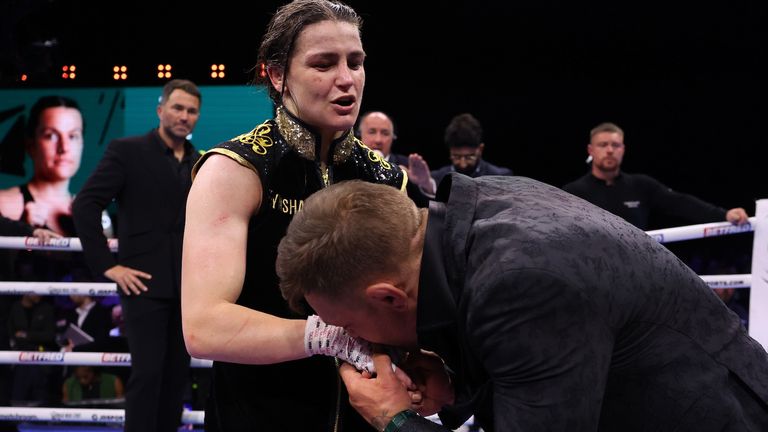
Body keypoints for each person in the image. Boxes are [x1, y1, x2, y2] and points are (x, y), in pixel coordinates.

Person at [276, 176, 768, 432]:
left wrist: (395, 420)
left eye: (348, 324)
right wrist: (456, 382)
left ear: (387, 296)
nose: (358, 340)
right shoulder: (483, 206)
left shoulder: (520, 283)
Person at [181, 1, 411, 430]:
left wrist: (423, 362)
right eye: (323, 64)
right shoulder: (234, 169)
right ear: (276, 74)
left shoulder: (386, 179)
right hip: (258, 417)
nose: (346, 79)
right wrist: (324, 336)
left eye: (355, 62)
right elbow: (203, 327)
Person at [72, 79, 202, 432]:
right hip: (141, 283)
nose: (184, 116)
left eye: (191, 111)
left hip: (188, 288)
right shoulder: (126, 151)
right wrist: (108, 266)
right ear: (160, 110)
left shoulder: (200, 163)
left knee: (177, 376)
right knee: (147, 374)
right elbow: (85, 205)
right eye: (177, 107)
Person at [563, 122, 749, 230]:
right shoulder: (573, 192)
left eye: (616, 145)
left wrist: (723, 214)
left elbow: (681, 203)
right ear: (591, 149)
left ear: (623, 149)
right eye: (603, 145)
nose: (610, 150)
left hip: (637, 271)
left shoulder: (641, 185)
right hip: (591, 274)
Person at [0, 96, 84, 236]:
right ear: (31, 144)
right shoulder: (4, 205)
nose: (64, 147)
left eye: (73, 136)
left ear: (82, 144)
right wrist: (22, 231)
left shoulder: (93, 212)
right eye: (51, 136)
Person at [358, 110, 432, 205]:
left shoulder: (408, 167)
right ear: (359, 134)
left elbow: (426, 207)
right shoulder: (348, 162)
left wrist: (425, 185)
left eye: (385, 133)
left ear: (393, 138)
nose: (378, 140)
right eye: (372, 132)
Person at [426, 112, 512, 194]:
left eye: (469, 157)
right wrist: (427, 185)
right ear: (450, 150)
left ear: (480, 149)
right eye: (456, 156)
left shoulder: (501, 178)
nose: (463, 164)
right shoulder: (434, 179)